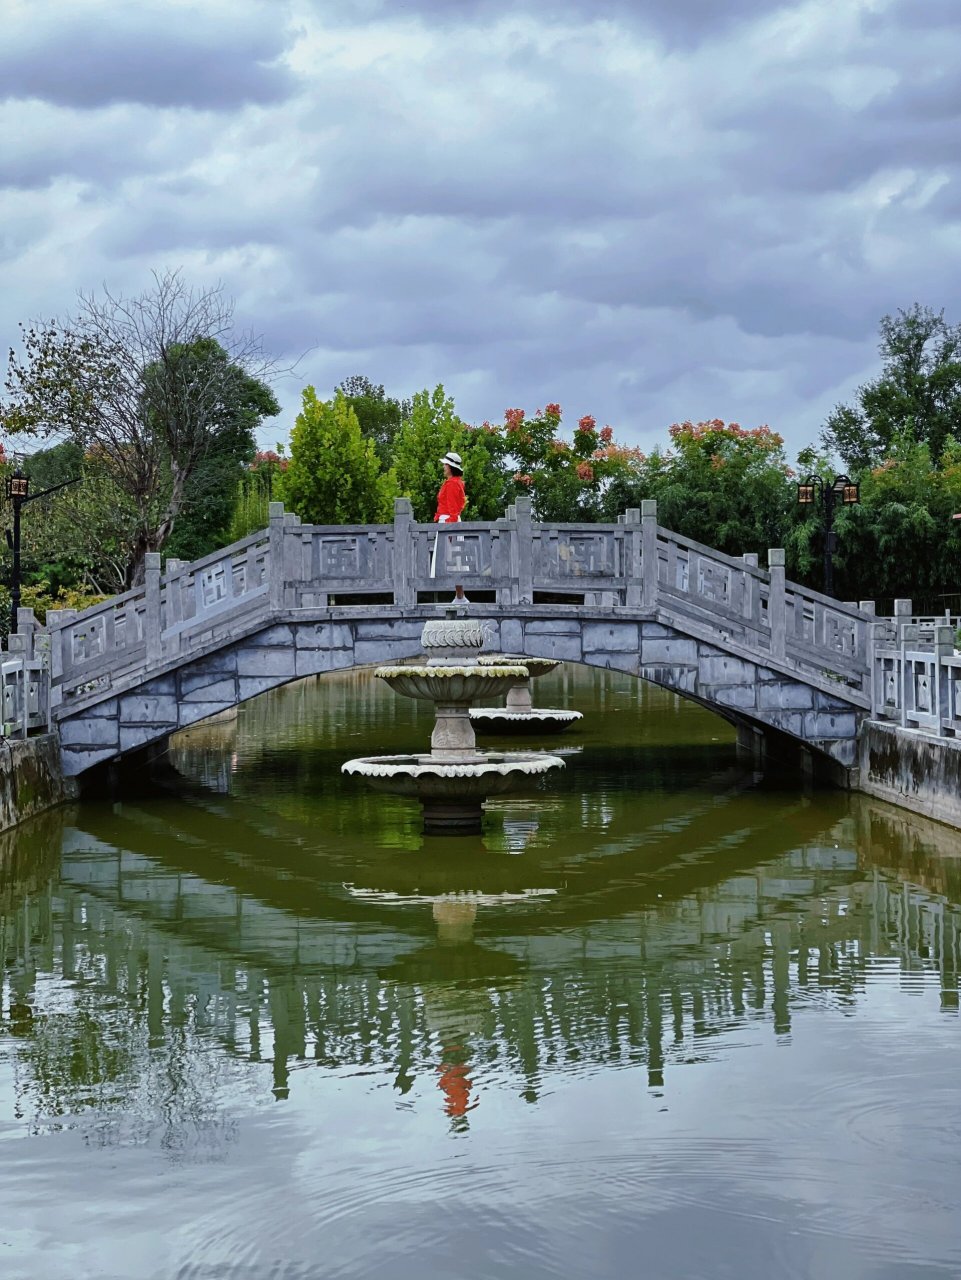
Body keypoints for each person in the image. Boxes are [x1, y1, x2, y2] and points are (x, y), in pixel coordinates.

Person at [431, 452, 469, 603]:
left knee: (455, 560)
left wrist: (451, 529)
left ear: (450, 467)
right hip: (448, 521)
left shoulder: (453, 484)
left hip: (449, 522)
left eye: (445, 464)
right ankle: (460, 596)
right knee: (455, 560)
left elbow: (454, 509)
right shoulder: (454, 482)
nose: (443, 466)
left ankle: (460, 596)